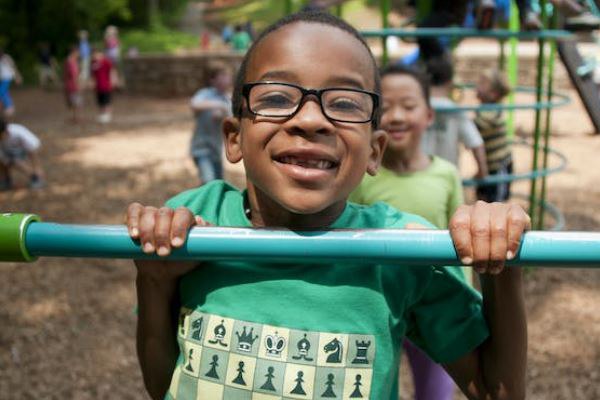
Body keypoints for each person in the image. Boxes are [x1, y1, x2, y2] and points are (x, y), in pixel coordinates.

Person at [125, 11, 528, 400]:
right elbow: (164, 384)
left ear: (374, 151)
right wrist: (154, 280)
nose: (311, 120)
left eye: (346, 103)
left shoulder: (402, 249)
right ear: (233, 137)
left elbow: (498, 391)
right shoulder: (195, 225)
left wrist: (502, 266)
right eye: (278, 97)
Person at [350, 64, 468, 400]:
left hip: (430, 304)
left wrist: (461, 301)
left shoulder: (446, 174)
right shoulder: (361, 178)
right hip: (376, 304)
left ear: (429, 115)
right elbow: (347, 236)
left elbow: (458, 242)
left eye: (409, 106)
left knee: (435, 392)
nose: (397, 116)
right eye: (385, 108)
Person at [422, 55, 489, 179]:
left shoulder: (417, 108)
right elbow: (476, 143)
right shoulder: (456, 111)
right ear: (450, 81)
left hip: (419, 177)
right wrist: (482, 172)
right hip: (447, 178)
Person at [189, 63, 232, 184]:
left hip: (216, 150)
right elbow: (194, 105)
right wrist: (219, 105)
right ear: (213, 79)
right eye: (222, 76)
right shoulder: (205, 94)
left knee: (218, 185)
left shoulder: (228, 99)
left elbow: (231, 119)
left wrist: (222, 113)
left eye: (227, 76)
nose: (226, 79)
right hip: (201, 149)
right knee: (209, 183)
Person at [474, 68, 513, 202]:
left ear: (493, 94)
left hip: (499, 165)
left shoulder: (494, 111)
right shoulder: (483, 108)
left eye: (483, 83)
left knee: (496, 201)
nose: (477, 85)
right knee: (483, 197)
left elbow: (479, 125)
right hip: (489, 163)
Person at [0, 117, 44, 190]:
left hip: (22, 150)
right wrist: (7, 161)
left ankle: (35, 177)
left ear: (6, 131)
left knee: (17, 161)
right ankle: (5, 180)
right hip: (8, 152)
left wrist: (37, 167)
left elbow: (32, 149)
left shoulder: (18, 132)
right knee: (5, 160)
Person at [91, 48, 113, 123]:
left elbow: (112, 70)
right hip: (98, 86)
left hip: (106, 85)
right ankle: (102, 115)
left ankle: (107, 115)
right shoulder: (93, 63)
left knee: (106, 101)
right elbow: (93, 75)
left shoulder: (106, 62)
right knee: (100, 101)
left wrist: (113, 80)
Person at [0, 48, 22, 117]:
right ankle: (9, 108)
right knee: (5, 92)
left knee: (1, 92)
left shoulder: (6, 57)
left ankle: (10, 107)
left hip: (8, 77)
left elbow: (13, 66)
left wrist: (17, 76)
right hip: (3, 78)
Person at [63, 46, 81, 122]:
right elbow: (74, 75)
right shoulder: (71, 62)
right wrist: (77, 84)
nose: (78, 54)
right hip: (72, 84)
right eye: (77, 52)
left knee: (72, 101)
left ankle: (74, 116)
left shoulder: (68, 61)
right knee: (74, 101)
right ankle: (75, 117)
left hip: (68, 84)